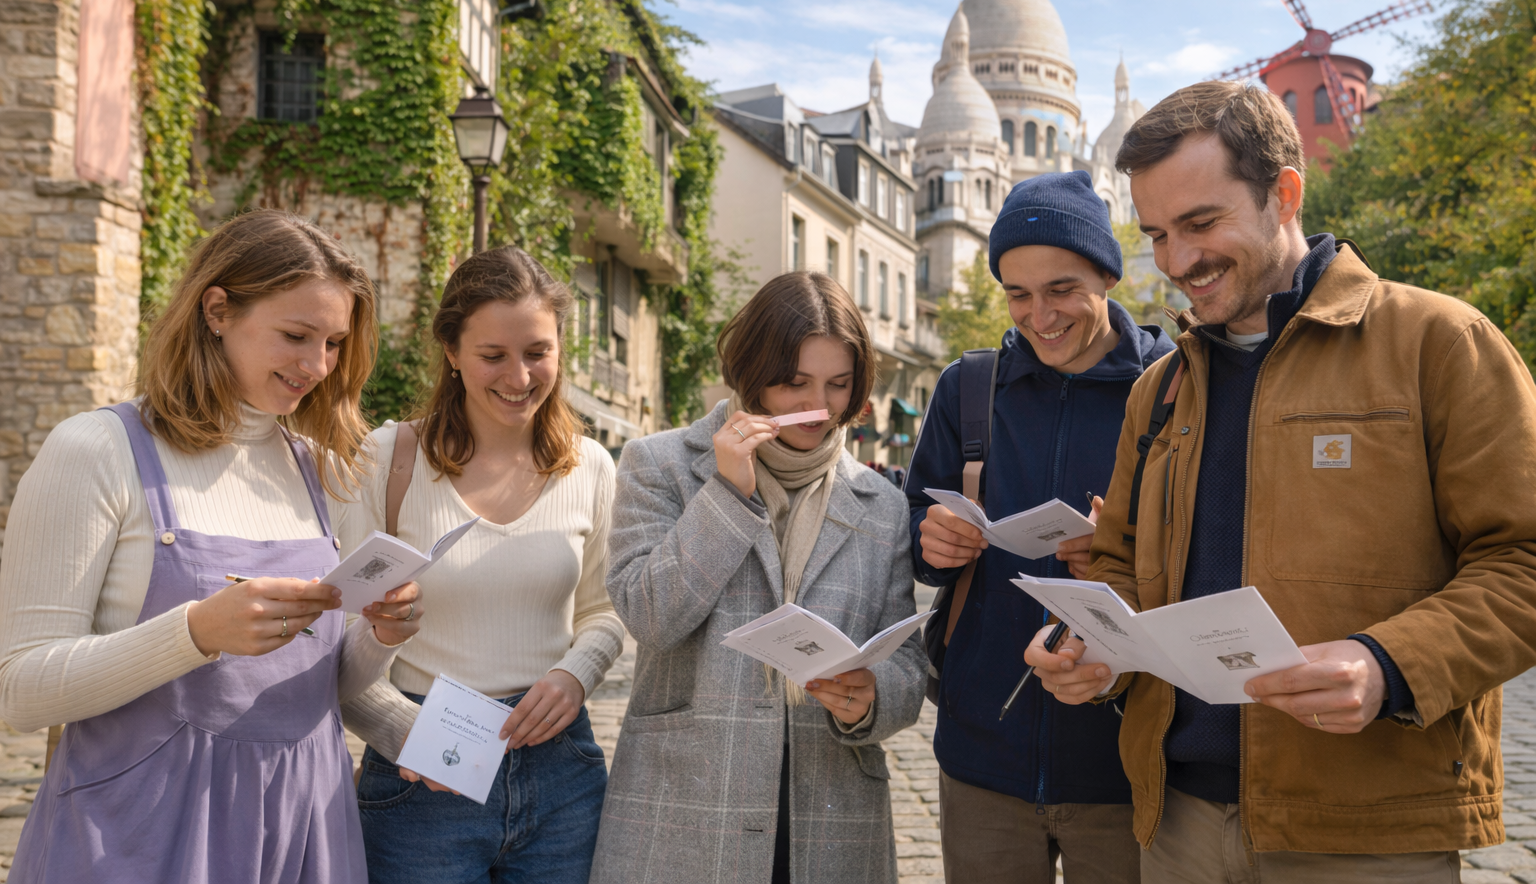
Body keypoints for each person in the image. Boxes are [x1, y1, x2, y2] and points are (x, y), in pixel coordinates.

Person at [1027, 80, 1536, 882]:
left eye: (1201, 223)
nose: (1177, 260)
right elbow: (1120, 566)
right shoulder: (1157, 390)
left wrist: (1387, 664)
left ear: (1285, 193)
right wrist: (1095, 649)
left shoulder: (1441, 343)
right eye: (1157, 233)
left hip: (1365, 831)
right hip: (1174, 823)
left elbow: (1523, 562)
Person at [0, 209, 423, 883]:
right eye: (295, 334)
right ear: (218, 309)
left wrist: (381, 637)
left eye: (335, 343)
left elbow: (314, 688)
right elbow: (20, 691)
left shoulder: (317, 468)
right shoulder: (96, 451)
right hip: (143, 835)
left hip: (304, 829)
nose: (317, 365)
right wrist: (195, 632)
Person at [590, 271, 926, 884]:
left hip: (831, 825)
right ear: (750, 371)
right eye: (793, 382)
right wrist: (724, 496)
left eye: (837, 384)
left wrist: (871, 695)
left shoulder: (882, 502)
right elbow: (649, 617)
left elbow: (908, 665)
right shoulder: (659, 465)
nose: (814, 404)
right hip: (685, 813)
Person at [905, 170, 1172, 883]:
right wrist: (932, 544)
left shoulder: (1174, 389)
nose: (1039, 315)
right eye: (1017, 294)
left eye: (1061, 290)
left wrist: (1125, 556)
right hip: (983, 754)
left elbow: (1216, 556)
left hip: (1125, 762)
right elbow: (914, 523)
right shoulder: (969, 388)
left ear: (1108, 276)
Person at [338, 246, 621, 884]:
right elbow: (336, 636)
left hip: (562, 771)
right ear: (452, 351)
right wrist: (397, 726)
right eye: (493, 355)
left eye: (537, 352)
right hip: (422, 772)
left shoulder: (592, 467)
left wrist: (575, 676)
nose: (519, 377)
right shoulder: (387, 460)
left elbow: (603, 611)